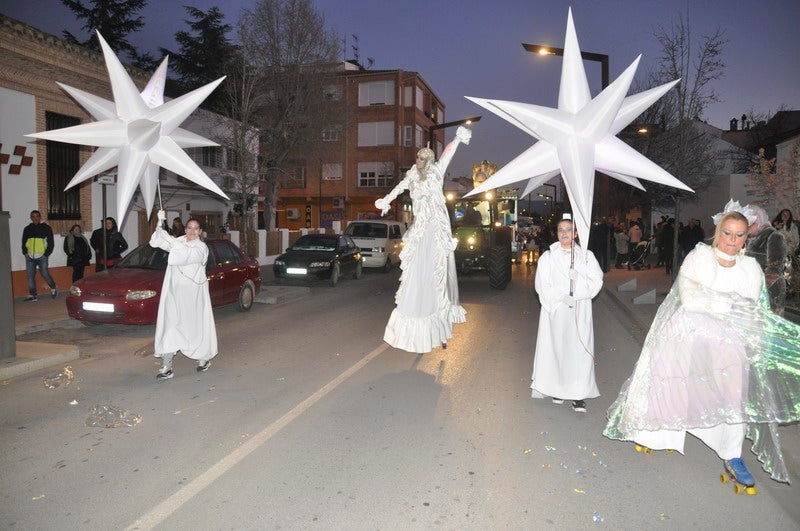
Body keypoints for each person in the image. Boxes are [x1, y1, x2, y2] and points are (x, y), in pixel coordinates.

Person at [604, 200, 800, 489]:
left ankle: (732, 453)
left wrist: (728, 309)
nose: (733, 241)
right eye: (728, 233)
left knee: (734, 391)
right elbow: (692, 299)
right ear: (718, 232)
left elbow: (753, 308)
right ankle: (658, 432)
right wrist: (730, 304)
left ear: (748, 236)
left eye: (740, 234)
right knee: (674, 383)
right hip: (689, 331)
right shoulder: (698, 257)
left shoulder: (751, 269)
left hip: (731, 338)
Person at [374, 126, 470, 353]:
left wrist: (457, 138)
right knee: (416, 275)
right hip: (420, 228)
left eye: (420, 157)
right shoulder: (412, 176)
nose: (416, 159)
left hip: (435, 227)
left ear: (428, 160)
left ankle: (439, 323)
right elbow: (398, 188)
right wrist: (386, 200)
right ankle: (415, 318)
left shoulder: (437, 172)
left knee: (436, 275)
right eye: (416, 156)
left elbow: (448, 153)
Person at [531, 214, 604, 413]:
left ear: (575, 233)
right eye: (561, 230)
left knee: (578, 350)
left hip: (579, 310)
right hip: (556, 310)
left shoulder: (586, 256)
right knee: (559, 348)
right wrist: (561, 298)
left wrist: (578, 281)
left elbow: (596, 281)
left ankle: (578, 394)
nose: (565, 233)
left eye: (569, 230)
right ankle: (558, 388)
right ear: (557, 233)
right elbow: (542, 284)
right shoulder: (548, 257)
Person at [149, 212, 217, 379]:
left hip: (193, 297)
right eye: (189, 228)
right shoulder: (178, 242)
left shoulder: (201, 248)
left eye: (196, 228)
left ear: (200, 231)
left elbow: (184, 255)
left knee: (195, 328)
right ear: (185, 229)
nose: (192, 231)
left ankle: (203, 358)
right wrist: (160, 222)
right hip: (174, 293)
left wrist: (169, 237)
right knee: (170, 327)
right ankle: (167, 367)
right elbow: (158, 241)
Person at [746, 205, 788, 315]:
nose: (747, 225)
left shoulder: (774, 236)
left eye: (750, 222)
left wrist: (758, 288)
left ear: (759, 220)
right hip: (753, 287)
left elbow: (775, 269)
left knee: (770, 324)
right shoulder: (752, 237)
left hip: (769, 290)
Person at [21, 210, 57, 301]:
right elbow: (23, 241)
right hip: (29, 257)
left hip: (42, 257)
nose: (35, 218)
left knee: (44, 274)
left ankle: (53, 287)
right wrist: (25, 252)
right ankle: (33, 295)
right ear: (31, 218)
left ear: (40, 217)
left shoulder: (46, 228)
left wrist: (46, 254)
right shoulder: (27, 229)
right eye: (33, 216)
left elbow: (51, 243)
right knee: (30, 277)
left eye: (37, 216)